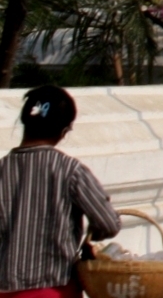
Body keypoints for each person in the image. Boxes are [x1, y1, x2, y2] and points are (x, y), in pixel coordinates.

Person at [1, 86, 121, 298]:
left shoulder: (2, 169)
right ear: (64, 131)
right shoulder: (70, 171)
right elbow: (108, 223)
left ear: (24, 121)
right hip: (55, 289)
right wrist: (90, 237)